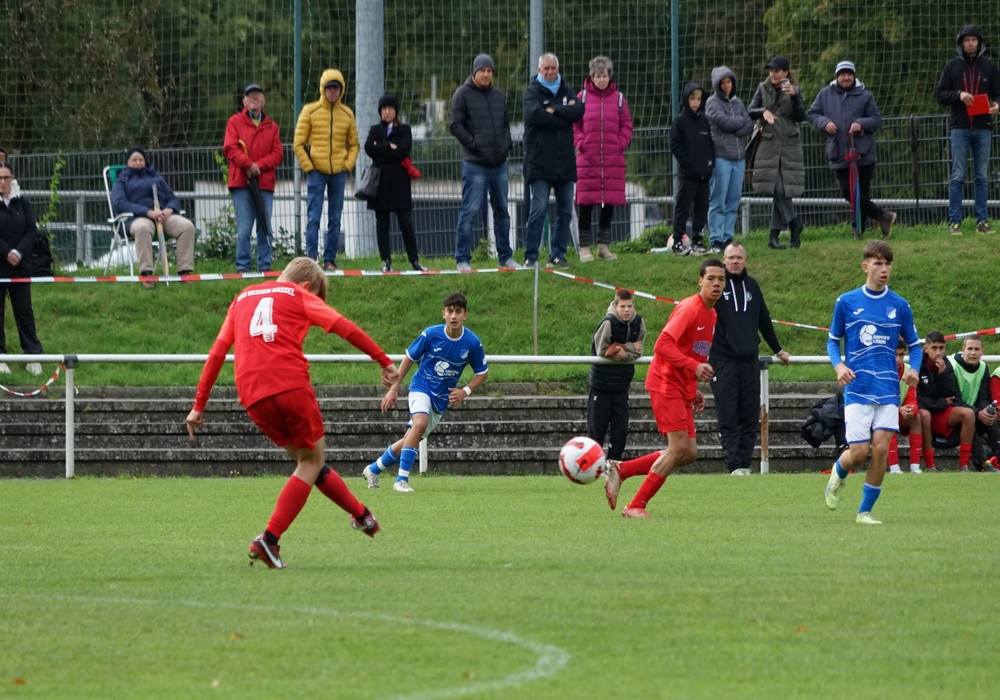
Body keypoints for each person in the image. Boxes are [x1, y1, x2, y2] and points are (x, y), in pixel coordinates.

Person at [185, 257, 399, 569]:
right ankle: (269, 540)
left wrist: (198, 405)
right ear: (307, 286)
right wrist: (382, 359)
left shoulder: (242, 297)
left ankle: (362, 515)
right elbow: (344, 327)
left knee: (308, 462)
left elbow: (218, 352)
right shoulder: (298, 296)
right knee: (311, 461)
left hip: (251, 393)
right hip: (289, 383)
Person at [602, 259, 725, 518]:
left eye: (721, 279)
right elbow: (662, 345)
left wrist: (693, 389)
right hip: (665, 383)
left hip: (681, 387)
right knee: (678, 448)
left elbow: (692, 351)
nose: (716, 283)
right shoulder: (690, 308)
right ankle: (636, 505)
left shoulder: (712, 314)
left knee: (688, 453)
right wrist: (693, 368)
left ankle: (622, 470)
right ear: (699, 281)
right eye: (711, 278)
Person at [824, 241, 921, 525]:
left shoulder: (900, 305)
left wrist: (914, 368)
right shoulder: (846, 302)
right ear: (865, 266)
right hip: (858, 387)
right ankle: (838, 473)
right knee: (858, 453)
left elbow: (915, 345)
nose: (884, 269)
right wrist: (839, 365)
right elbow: (832, 341)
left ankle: (864, 512)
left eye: (888, 264)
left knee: (880, 450)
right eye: (878, 264)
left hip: (888, 389)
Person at [362, 292, 488, 493]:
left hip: (441, 400)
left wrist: (465, 391)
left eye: (458, 312)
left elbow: (482, 371)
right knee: (419, 423)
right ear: (443, 314)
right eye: (449, 311)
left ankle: (373, 469)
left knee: (410, 438)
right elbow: (409, 358)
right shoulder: (431, 335)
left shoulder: (472, 342)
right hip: (421, 387)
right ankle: (401, 481)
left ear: (465, 315)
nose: (453, 316)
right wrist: (394, 387)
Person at [708, 242, 790, 475]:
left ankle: (744, 464)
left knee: (749, 415)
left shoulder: (752, 285)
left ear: (745, 260)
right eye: (730, 257)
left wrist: (778, 349)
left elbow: (764, 319)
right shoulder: (716, 287)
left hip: (749, 361)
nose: (734, 261)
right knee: (728, 415)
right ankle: (734, 466)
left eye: (739, 257)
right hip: (723, 361)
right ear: (723, 260)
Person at [808, 60, 896, 239]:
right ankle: (883, 216)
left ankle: (859, 230)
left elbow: (876, 120)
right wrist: (825, 123)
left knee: (861, 193)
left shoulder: (865, 95)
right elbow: (812, 114)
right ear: (837, 76)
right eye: (842, 74)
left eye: (849, 74)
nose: (846, 77)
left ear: (854, 76)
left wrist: (861, 124)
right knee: (848, 192)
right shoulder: (825, 95)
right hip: (838, 152)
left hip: (863, 153)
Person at [449, 54, 519, 271]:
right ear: (475, 72)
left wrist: (506, 144)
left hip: (499, 163)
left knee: (502, 211)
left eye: (490, 70)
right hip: (475, 163)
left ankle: (505, 256)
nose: (487, 74)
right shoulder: (462, 94)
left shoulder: (498, 95)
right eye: (483, 70)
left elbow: (506, 125)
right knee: (469, 211)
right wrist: (474, 143)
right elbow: (455, 125)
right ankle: (462, 259)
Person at [934, 25, 1000, 235]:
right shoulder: (951, 67)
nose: (970, 43)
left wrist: (997, 105)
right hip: (959, 128)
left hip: (983, 128)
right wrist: (959, 95)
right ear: (961, 43)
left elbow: (998, 93)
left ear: (979, 42)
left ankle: (982, 221)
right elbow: (940, 94)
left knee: (981, 176)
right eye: (966, 40)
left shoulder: (990, 68)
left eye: (974, 40)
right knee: (958, 175)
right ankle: (955, 222)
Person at [522, 53, 584, 269]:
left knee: (565, 210)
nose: (549, 72)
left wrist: (556, 110)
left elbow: (578, 111)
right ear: (539, 70)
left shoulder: (566, 90)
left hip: (565, 163)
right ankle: (531, 256)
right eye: (546, 68)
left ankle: (557, 254)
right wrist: (563, 117)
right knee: (538, 209)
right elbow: (536, 116)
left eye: (553, 68)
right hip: (539, 162)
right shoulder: (532, 92)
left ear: (558, 69)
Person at [293, 68, 360, 271]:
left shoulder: (347, 114)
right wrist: (309, 167)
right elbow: (298, 143)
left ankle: (329, 260)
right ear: (323, 89)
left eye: (336, 88)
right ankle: (311, 260)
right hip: (316, 173)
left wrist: (346, 165)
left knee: (335, 217)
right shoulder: (310, 111)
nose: (333, 92)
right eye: (329, 88)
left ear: (341, 90)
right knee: (314, 217)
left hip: (338, 173)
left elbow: (354, 144)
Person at [573, 55, 633, 262]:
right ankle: (584, 248)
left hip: (612, 160)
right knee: (586, 204)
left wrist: (620, 143)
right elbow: (574, 125)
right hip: (587, 160)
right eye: (598, 76)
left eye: (604, 75)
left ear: (610, 76)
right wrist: (581, 143)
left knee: (609, 204)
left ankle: (603, 246)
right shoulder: (581, 98)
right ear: (592, 76)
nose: (601, 79)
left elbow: (626, 125)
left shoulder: (618, 99)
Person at [111, 147, 196, 289]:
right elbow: (119, 203)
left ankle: (184, 271)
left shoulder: (156, 177)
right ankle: (147, 274)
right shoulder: (122, 180)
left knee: (187, 227)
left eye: (141, 160)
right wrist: (148, 212)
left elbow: (172, 198)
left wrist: (168, 210)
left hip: (162, 216)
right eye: (134, 160)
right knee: (143, 228)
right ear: (128, 162)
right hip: (137, 218)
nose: (138, 163)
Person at [363, 94, 428, 273]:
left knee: (406, 223)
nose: (387, 111)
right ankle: (386, 261)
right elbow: (369, 148)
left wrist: (382, 150)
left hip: (400, 184)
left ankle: (414, 261)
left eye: (390, 108)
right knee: (382, 223)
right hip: (380, 185)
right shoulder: (375, 129)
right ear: (380, 111)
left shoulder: (405, 129)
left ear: (396, 111)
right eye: (384, 108)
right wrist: (388, 146)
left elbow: (403, 151)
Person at [748, 56, 807, 250]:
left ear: (786, 72)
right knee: (778, 189)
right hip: (768, 145)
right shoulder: (761, 88)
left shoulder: (795, 90)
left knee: (782, 192)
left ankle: (774, 237)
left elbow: (800, 116)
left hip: (789, 146)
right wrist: (762, 112)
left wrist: (794, 97)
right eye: (771, 70)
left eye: (777, 70)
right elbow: (750, 110)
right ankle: (794, 224)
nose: (773, 74)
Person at [223, 83, 284, 274]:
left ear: (263, 100)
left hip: (264, 183)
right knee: (244, 227)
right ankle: (243, 266)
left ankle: (265, 265)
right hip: (241, 182)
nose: (254, 99)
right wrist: (248, 165)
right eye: (250, 96)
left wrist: (259, 166)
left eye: (258, 95)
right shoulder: (234, 122)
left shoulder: (272, 127)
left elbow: (278, 154)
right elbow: (230, 148)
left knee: (265, 226)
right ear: (244, 101)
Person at [587, 289, 646, 460]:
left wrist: (625, 355)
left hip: (622, 387)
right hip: (601, 385)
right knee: (596, 432)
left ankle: (613, 467)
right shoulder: (608, 322)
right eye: (622, 306)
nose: (626, 310)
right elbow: (602, 351)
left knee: (620, 432)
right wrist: (628, 347)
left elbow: (639, 350)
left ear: (633, 306)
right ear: (615, 305)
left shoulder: (639, 322)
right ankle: (593, 466)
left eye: (629, 306)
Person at [0, 162, 44, 376]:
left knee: (24, 311)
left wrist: (18, 252)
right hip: (0, 266)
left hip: (21, 267)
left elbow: (31, 230)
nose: (2, 182)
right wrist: (6, 252)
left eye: (5, 178)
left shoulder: (22, 203)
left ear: (12, 178)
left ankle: (33, 356)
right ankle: (1, 358)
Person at [705, 65, 754, 254]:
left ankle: (728, 237)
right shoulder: (712, 103)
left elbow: (748, 125)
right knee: (718, 200)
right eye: (723, 83)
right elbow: (724, 122)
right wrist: (738, 124)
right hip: (721, 157)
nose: (726, 86)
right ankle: (716, 239)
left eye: (729, 82)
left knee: (733, 200)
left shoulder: (738, 103)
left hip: (739, 158)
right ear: (717, 85)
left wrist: (737, 125)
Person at [917, 331, 976, 472]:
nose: (938, 352)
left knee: (969, 414)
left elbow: (952, 395)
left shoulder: (946, 364)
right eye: (934, 348)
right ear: (925, 349)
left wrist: (942, 374)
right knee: (924, 414)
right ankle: (930, 466)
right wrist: (941, 403)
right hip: (925, 412)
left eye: (941, 348)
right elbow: (917, 398)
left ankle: (964, 466)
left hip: (940, 412)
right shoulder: (917, 364)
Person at [669, 82, 714, 256]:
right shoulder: (680, 121)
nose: (695, 102)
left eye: (698, 98)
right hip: (688, 175)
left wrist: (711, 163)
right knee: (683, 207)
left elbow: (709, 145)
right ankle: (678, 242)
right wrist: (687, 163)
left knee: (701, 208)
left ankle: (698, 241)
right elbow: (675, 145)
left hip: (704, 174)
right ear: (686, 99)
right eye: (692, 98)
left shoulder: (704, 121)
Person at [945, 335, 1000, 470]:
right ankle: (984, 464)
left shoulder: (983, 367)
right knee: (969, 419)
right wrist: (978, 412)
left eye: (977, 349)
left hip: (972, 412)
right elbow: (954, 399)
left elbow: (983, 397)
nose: (973, 352)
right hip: (950, 413)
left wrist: (985, 411)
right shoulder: (951, 364)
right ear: (963, 349)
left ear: (983, 352)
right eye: (970, 349)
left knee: (990, 418)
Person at [887, 338, 927, 474]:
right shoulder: (881, 371)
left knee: (916, 416)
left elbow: (912, 397)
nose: (898, 359)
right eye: (894, 354)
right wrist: (898, 409)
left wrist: (911, 409)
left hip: (899, 414)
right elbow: (878, 402)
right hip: (881, 416)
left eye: (901, 355)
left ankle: (915, 467)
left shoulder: (909, 371)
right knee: (888, 417)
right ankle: (894, 467)